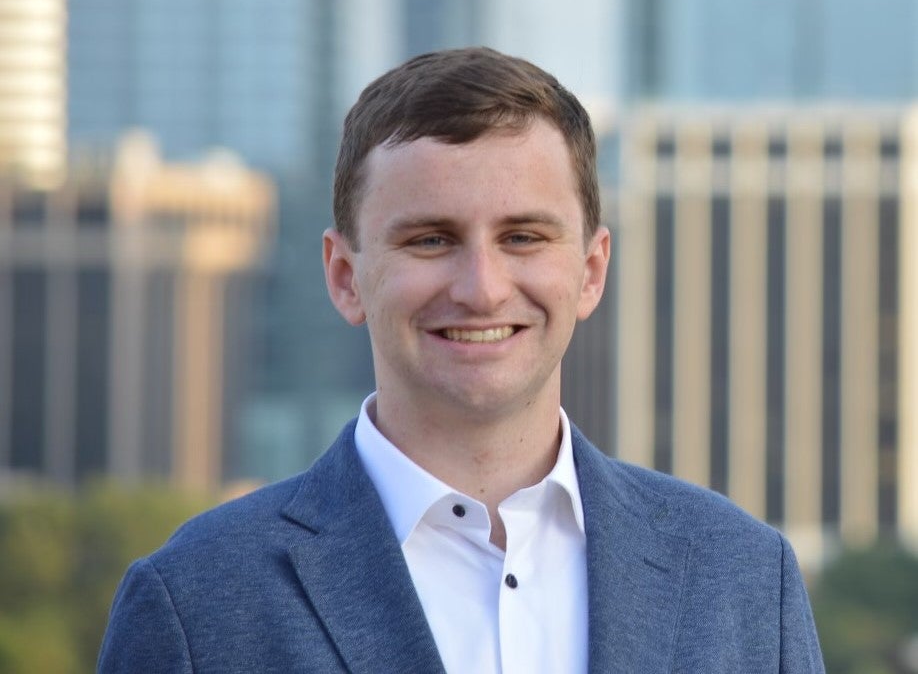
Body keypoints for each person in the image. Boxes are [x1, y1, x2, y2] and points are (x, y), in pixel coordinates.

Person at [98, 47, 825, 672]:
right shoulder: (197, 602)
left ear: (592, 269)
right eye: (430, 240)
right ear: (345, 276)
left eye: (523, 237)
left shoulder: (744, 580)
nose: (482, 287)